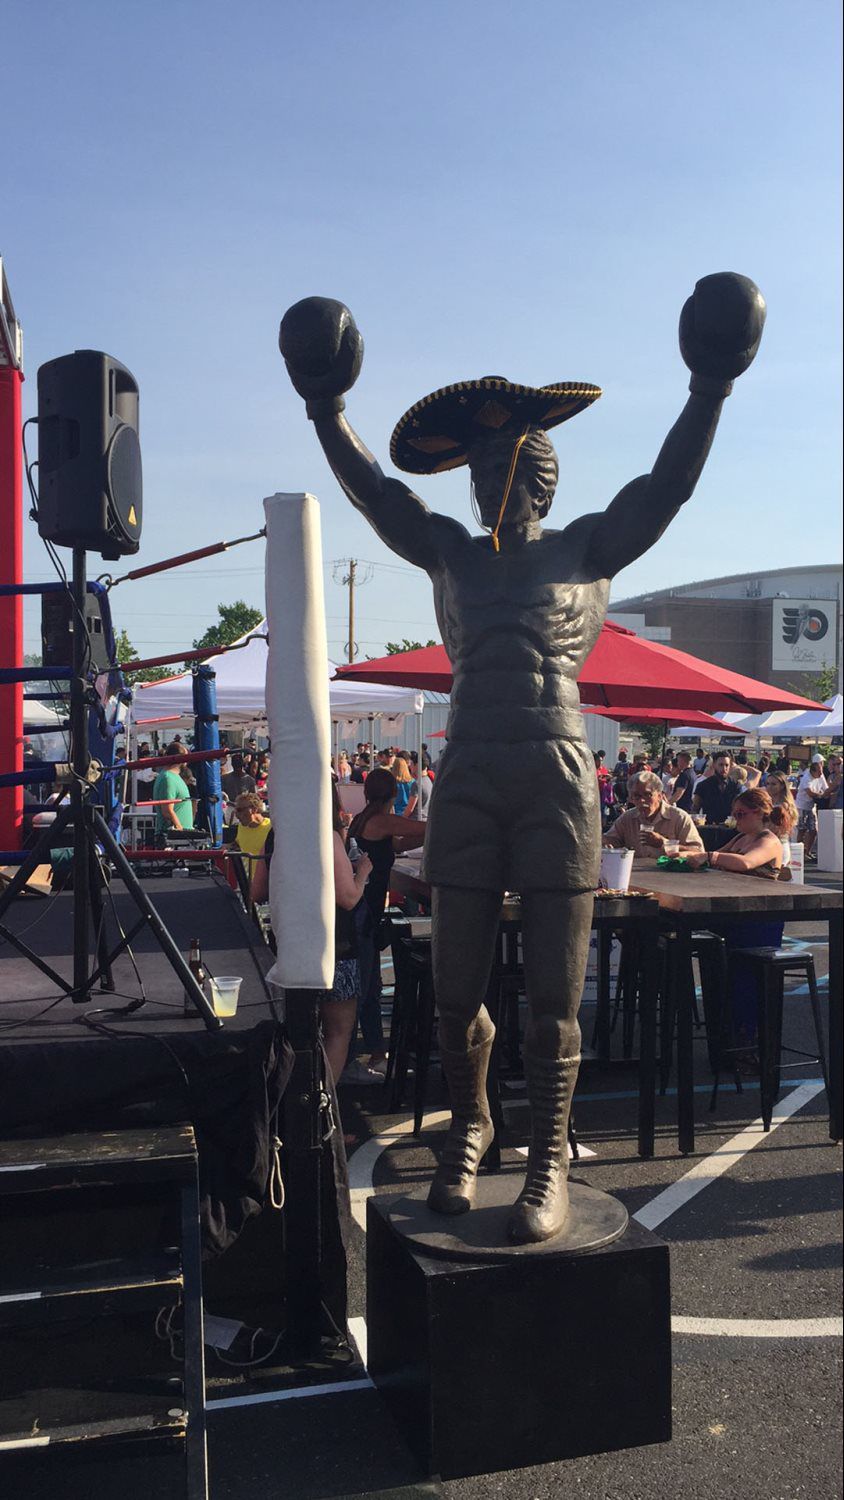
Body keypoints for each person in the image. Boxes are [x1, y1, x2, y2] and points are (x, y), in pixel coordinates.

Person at [281, 270, 765, 1241]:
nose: (494, 469)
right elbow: (376, 490)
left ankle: (546, 1156)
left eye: (512, 456)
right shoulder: (449, 553)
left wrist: (707, 388)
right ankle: (473, 1129)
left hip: (554, 779)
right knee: (456, 987)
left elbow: (665, 485)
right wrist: (326, 407)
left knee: (552, 996)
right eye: (484, 458)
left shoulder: (588, 550)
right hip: (468, 777)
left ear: (542, 472)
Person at [685, 787, 790, 1045]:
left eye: (740, 814)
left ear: (759, 813)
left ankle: (748, 1045)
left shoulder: (768, 840)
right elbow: (718, 858)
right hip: (734, 917)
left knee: (744, 983)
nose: (736, 819)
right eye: (734, 814)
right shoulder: (741, 838)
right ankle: (727, 1041)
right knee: (725, 979)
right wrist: (687, 855)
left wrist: (709, 856)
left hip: (758, 921)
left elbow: (745, 863)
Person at [346, 768, 427, 1081]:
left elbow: (394, 846)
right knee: (364, 988)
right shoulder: (381, 820)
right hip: (363, 912)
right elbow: (420, 826)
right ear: (393, 794)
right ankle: (351, 1060)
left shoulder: (364, 819)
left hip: (364, 911)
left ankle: (376, 1054)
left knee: (371, 987)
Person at [604, 770, 704, 858]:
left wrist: (664, 843)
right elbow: (610, 840)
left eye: (648, 795)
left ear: (660, 796)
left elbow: (698, 852)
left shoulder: (679, 818)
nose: (642, 801)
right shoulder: (627, 819)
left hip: (671, 876)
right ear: (631, 798)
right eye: (637, 796)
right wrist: (606, 845)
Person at [152, 743, 194, 841]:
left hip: (179, 836)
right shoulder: (168, 778)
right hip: (172, 837)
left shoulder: (173, 777)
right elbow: (167, 810)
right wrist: (180, 830)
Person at [795, 754, 828, 859]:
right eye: (818, 773)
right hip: (802, 806)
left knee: (814, 830)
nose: (820, 774)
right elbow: (810, 792)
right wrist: (821, 794)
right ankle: (799, 853)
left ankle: (807, 852)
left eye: (821, 771)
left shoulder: (821, 775)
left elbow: (826, 788)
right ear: (812, 772)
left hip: (811, 807)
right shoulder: (806, 778)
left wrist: (826, 792)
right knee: (802, 830)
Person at [693, 750, 738, 825]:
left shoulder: (735, 785)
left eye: (726, 765)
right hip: (708, 829)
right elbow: (695, 809)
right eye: (721, 765)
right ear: (714, 765)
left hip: (729, 830)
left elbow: (738, 809)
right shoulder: (703, 785)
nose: (724, 768)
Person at [405, 752, 432, 820]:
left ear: (416, 765)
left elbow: (410, 809)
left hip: (415, 821)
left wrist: (401, 820)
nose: (409, 766)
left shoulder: (417, 784)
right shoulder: (429, 781)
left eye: (411, 764)